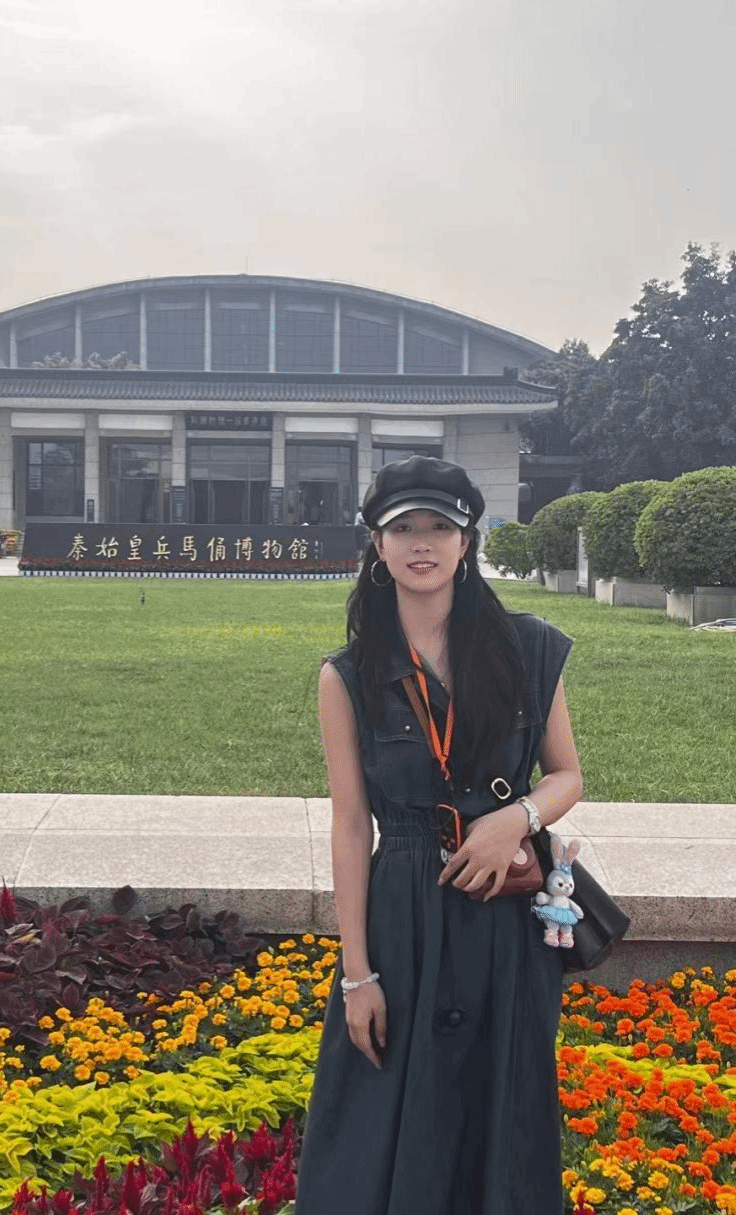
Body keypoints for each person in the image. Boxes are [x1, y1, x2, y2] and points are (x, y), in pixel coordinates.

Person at [295, 456, 582, 1215]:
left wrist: (515, 819)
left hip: (503, 914)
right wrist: (357, 975)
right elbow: (350, 823)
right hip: (404, 913)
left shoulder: (529, 647)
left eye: (439, 527)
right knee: (380, 1115)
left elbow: (566, 776)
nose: (421, 543)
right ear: (377, 545)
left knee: (501, 1109)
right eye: (403, 529)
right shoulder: (348, 675)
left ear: (466, 541)